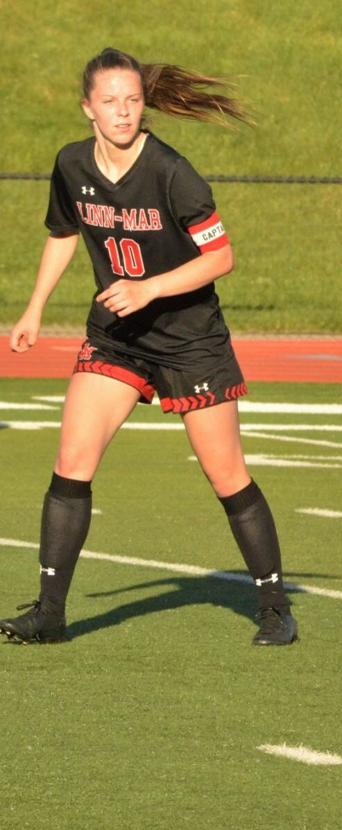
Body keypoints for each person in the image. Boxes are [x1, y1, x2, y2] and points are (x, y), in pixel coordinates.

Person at [1, 47, 297, 646]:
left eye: (132, 100)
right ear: (87, 108)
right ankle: (50, 612)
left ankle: (274, 608)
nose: (123, 112)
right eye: (110, 101)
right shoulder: (71, 164)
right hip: (116, 339)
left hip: (191, 343)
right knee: (71, 464)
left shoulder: (171, 171)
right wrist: (34, 309)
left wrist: (150, 289)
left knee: (227, 475)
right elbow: (63, 233)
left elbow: (222, 257)